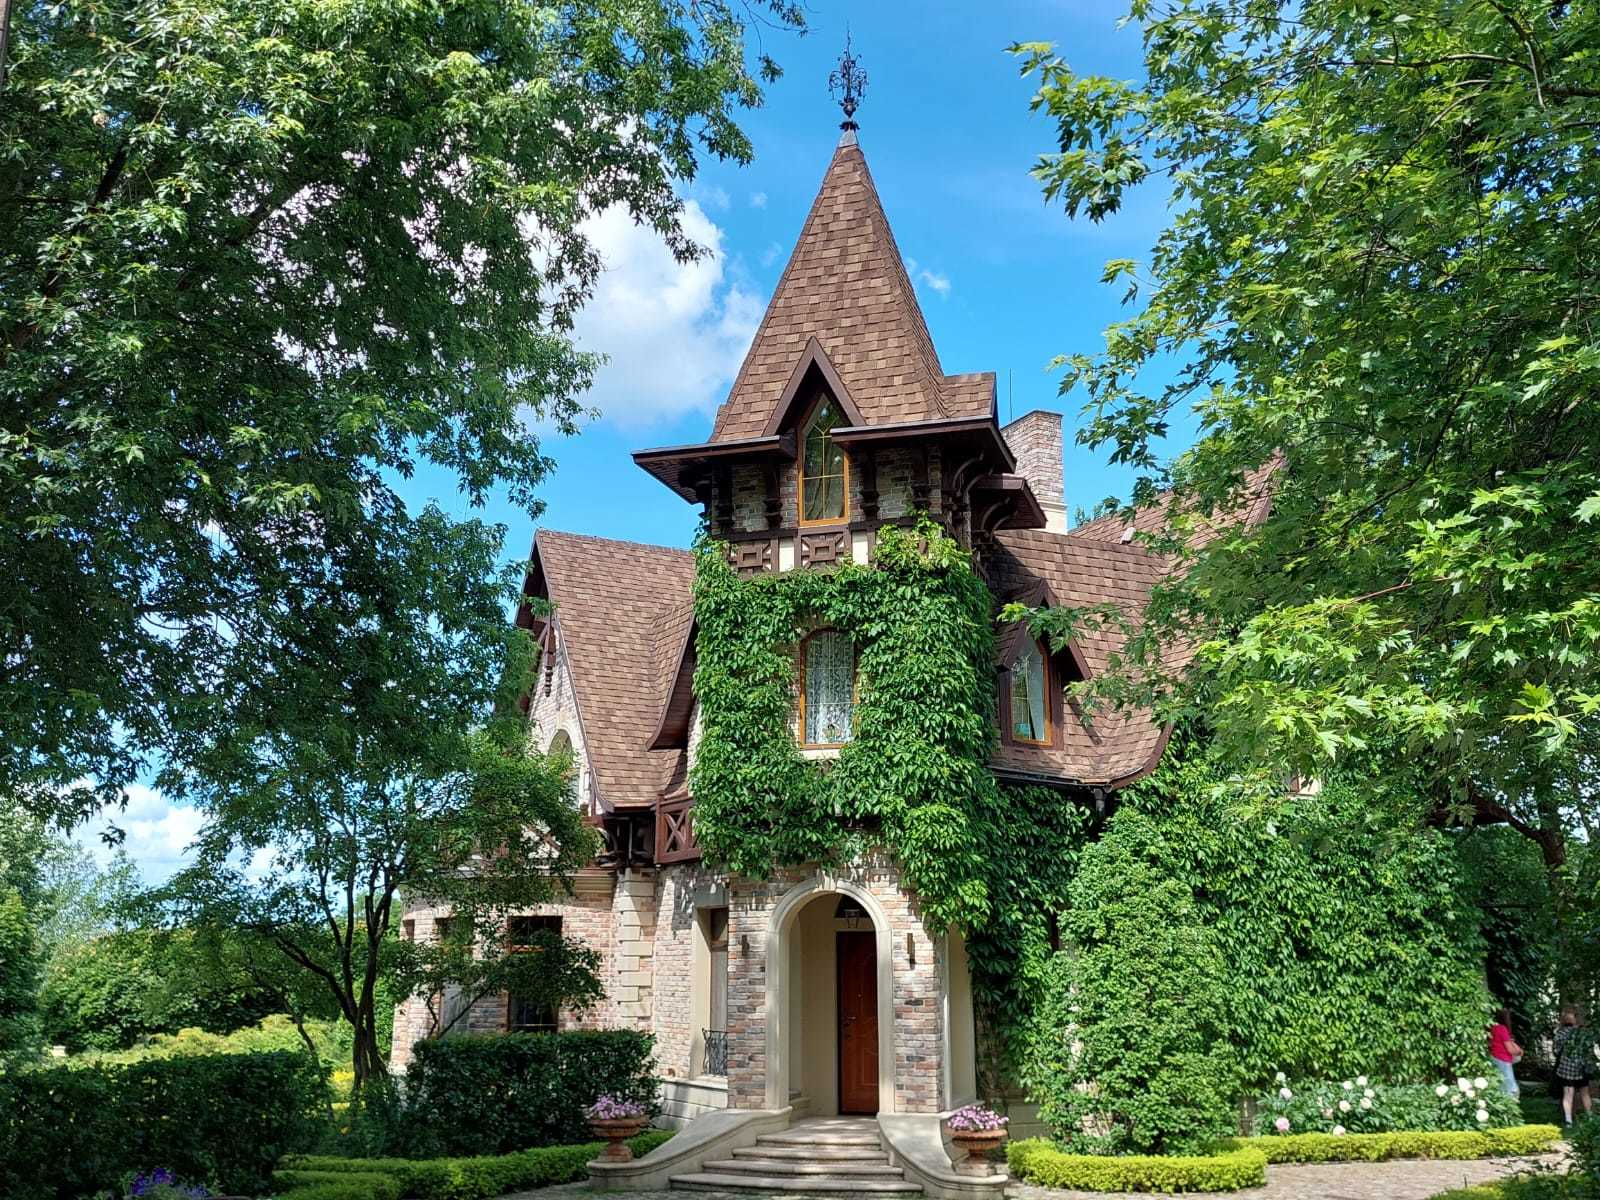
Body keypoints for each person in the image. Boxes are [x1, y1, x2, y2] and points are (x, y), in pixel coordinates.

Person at [1553, 1006, 1595, 1124]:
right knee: (1585, 1094)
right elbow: (1589, 1050)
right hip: (1582, 1068)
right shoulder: (1582, 1034)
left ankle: (1568, 1121)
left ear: (1563, 1020)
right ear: (1575, 1019)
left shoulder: (1560, 1034)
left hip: (1566, 1069)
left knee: (1568, 1094)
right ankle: (1590, 1118)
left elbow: (1556, 1051)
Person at [1489, 1008, 1522, 1097]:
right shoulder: (1502, 1029)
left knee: (1500, 1085)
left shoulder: (1493, 1028)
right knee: (1511, 1089)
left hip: (1494, 1057)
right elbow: (1510, 1049)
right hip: (1503, 1059)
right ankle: (1510, 1104)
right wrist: (1519, 1052)